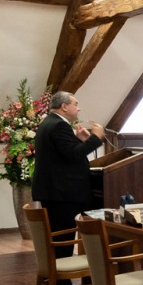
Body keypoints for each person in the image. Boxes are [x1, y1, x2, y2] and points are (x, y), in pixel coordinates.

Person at [32, 91, 104, 273]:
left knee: (60, 237)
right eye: (75, 104)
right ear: (64, 106)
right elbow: (72, 155)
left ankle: (55, 278)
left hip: (55, 191)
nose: (79, 108)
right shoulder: (59, 125)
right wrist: (96, 138)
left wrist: (80, 141)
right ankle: (62, 281)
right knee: (63, 239)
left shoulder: (49, 122)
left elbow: (64, 154)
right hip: (62, 193)